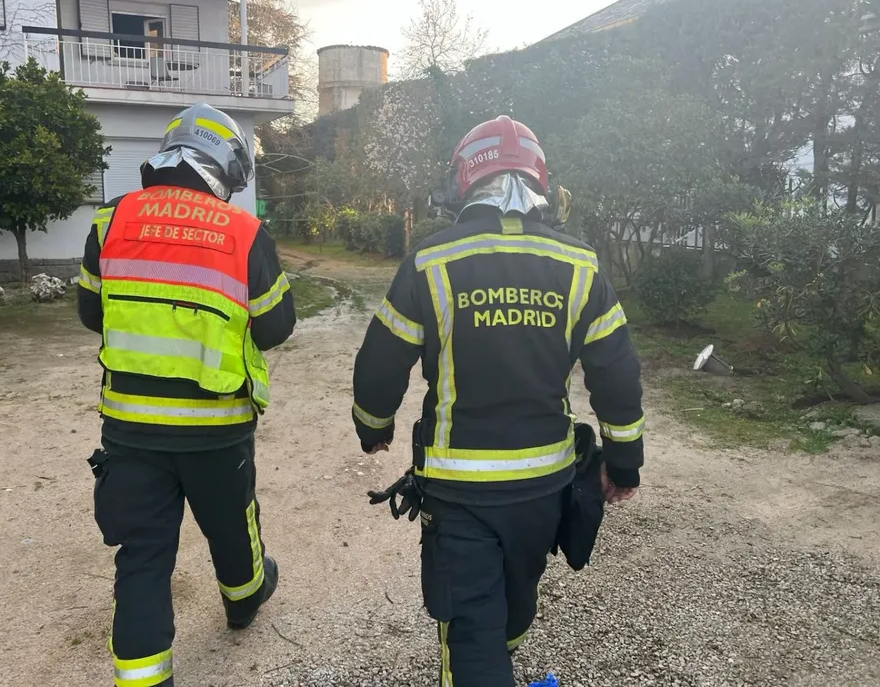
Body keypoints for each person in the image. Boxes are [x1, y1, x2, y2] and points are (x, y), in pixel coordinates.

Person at [352, 115, 645, 687]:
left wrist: (374, 426)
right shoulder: (580, 265)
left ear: (465, 181)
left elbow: (380, 365)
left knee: (471, 633)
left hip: (458, 493)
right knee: (514, 605)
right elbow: (617, 373)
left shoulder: (431, 262)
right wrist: (624, 460)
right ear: (540, 181)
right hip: (543, 489)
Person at [77, 103, 296, 687]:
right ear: (225, 164)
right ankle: (244, 598)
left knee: (143, 557)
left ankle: (145, 679)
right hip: (216, 426)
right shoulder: (243, 232)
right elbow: (276, 327)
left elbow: (89, 312)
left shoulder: (110, 221)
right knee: (231, 522)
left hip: (130, 427)